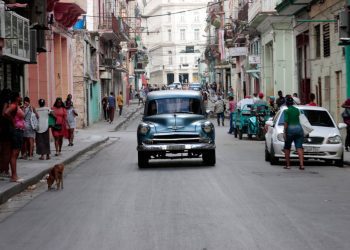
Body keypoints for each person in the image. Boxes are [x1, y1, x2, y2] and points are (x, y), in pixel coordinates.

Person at [4, 92, 25, 182]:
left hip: (18, 131)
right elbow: (5, 113)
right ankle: (14, 176)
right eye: (20, 96)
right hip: (16, 131)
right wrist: (13, 122)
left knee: (15, 154)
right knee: (14, 154)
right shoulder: (13, 106)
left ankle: (14, 175)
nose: (21, 97)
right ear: (16, 98)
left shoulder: (16, 106)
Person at [283, 96, 304, 170]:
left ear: (286, 104)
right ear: (292, 103)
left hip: (290, 131)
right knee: (299, 147)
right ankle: (301, 165)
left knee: (287, 147)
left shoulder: (286, 111)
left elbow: (286, 122)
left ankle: (288, 165)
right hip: (299, 130)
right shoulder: (297, 110)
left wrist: (284, 132)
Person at [0, 89, 12, 177]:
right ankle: (5, 170)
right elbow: (4, 113)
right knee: (6, 150)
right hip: (5, 127)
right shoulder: (6, 101)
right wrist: (12, 119)